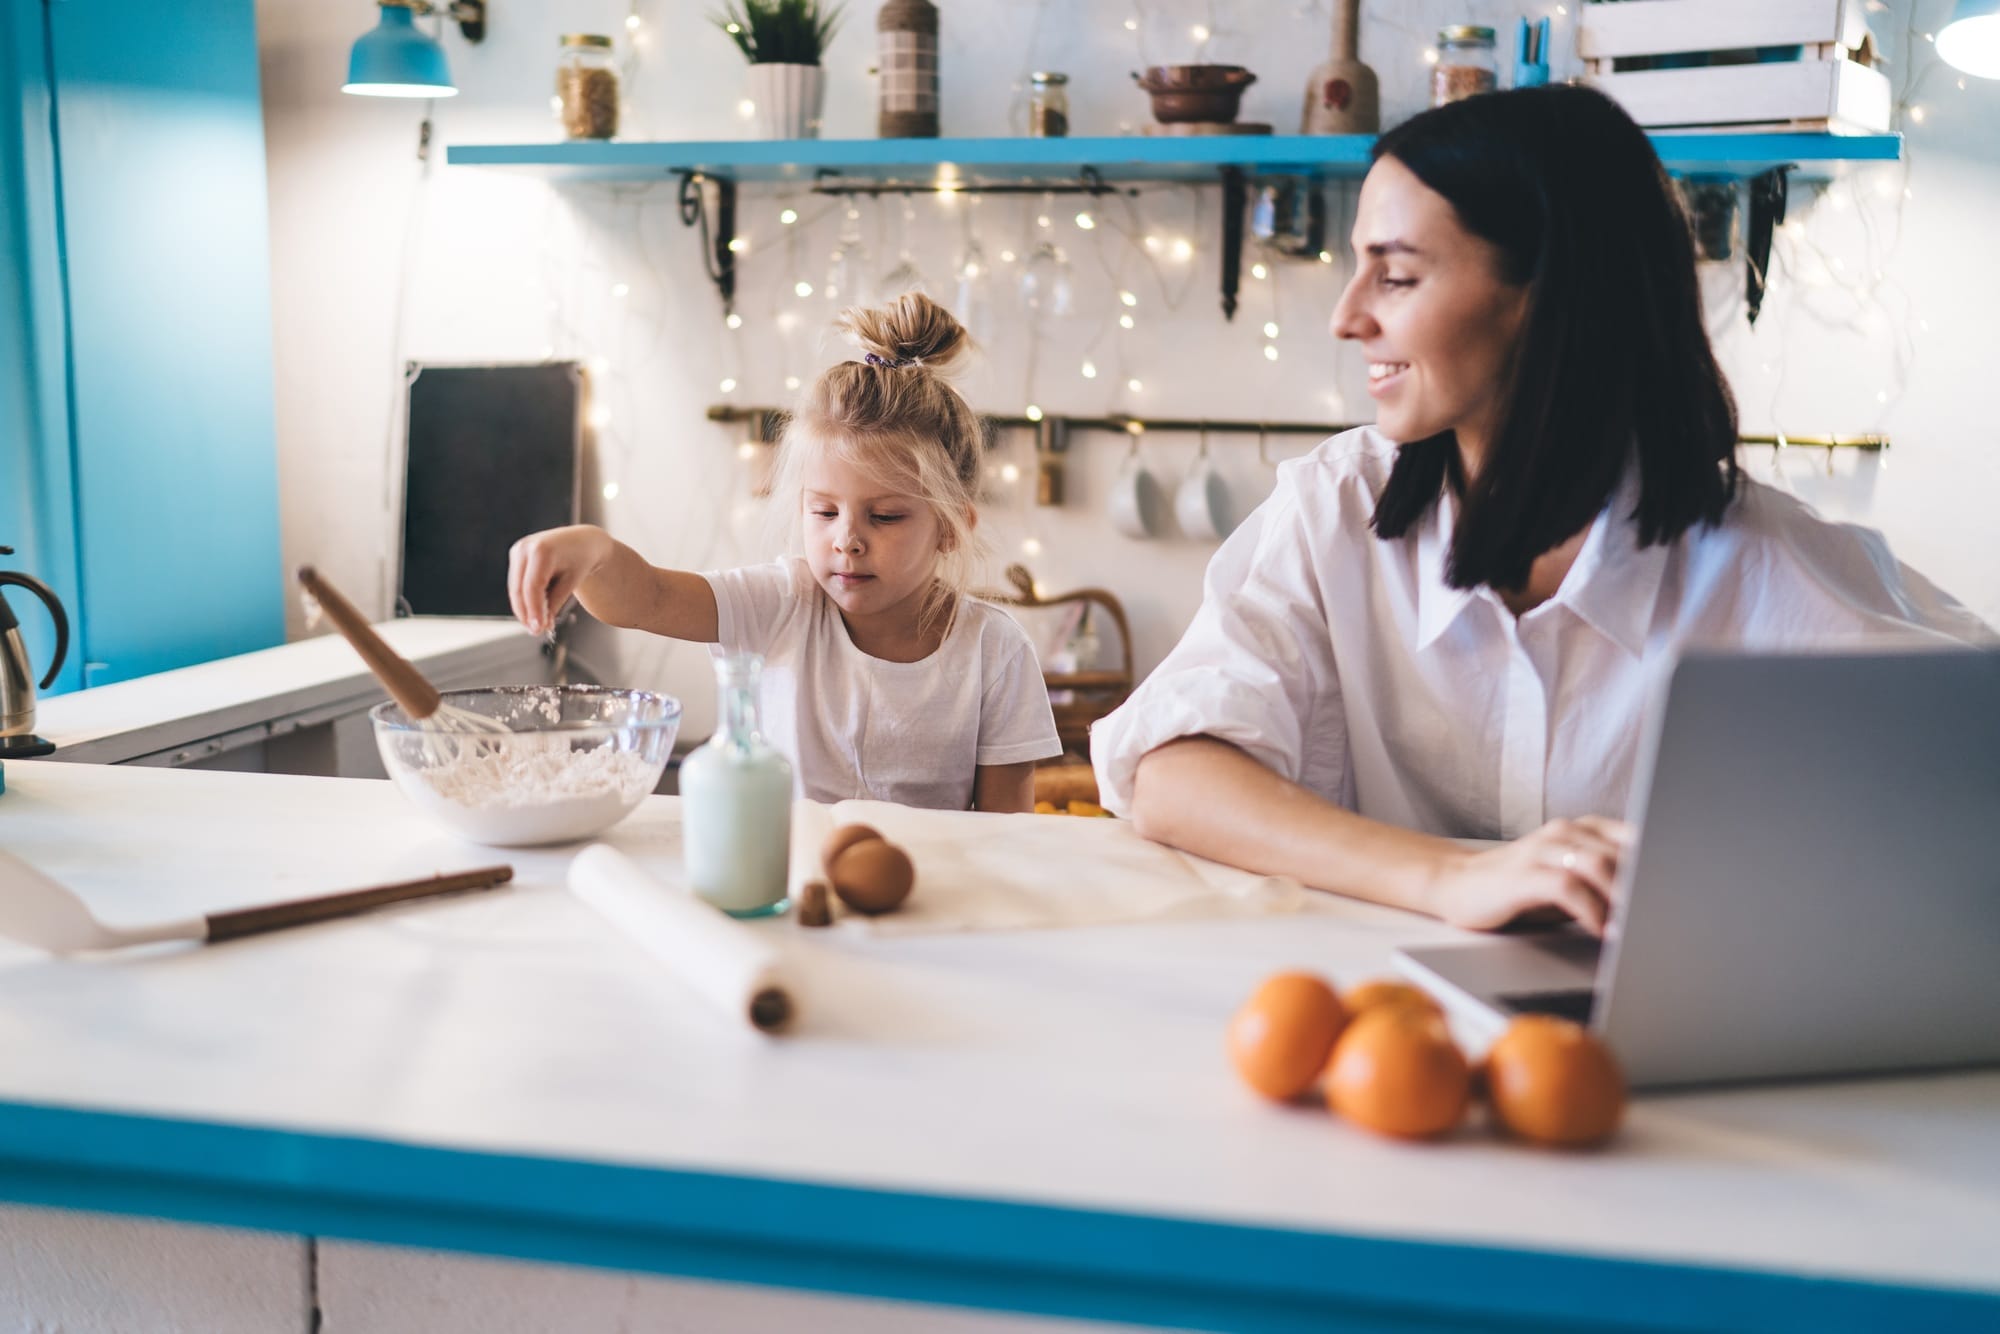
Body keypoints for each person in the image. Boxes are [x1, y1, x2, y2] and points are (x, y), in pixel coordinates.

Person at [1092, 85, 1994, 934]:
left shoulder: (1768, 569)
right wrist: (1451, 877)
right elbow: (1172, 771)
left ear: (1549, 298)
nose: (1347, 317)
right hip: (1377, 1031)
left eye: (1396, 276)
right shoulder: (1336, 508)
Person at [509, 293, 1062, 812]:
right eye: (823, 512)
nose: (846, 539)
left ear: (949, 529)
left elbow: (1003, 831)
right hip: (785, 882)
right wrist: (593, 550)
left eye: (886, 516)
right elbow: (644, 598)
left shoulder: (995, 652)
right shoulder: (780, 603)